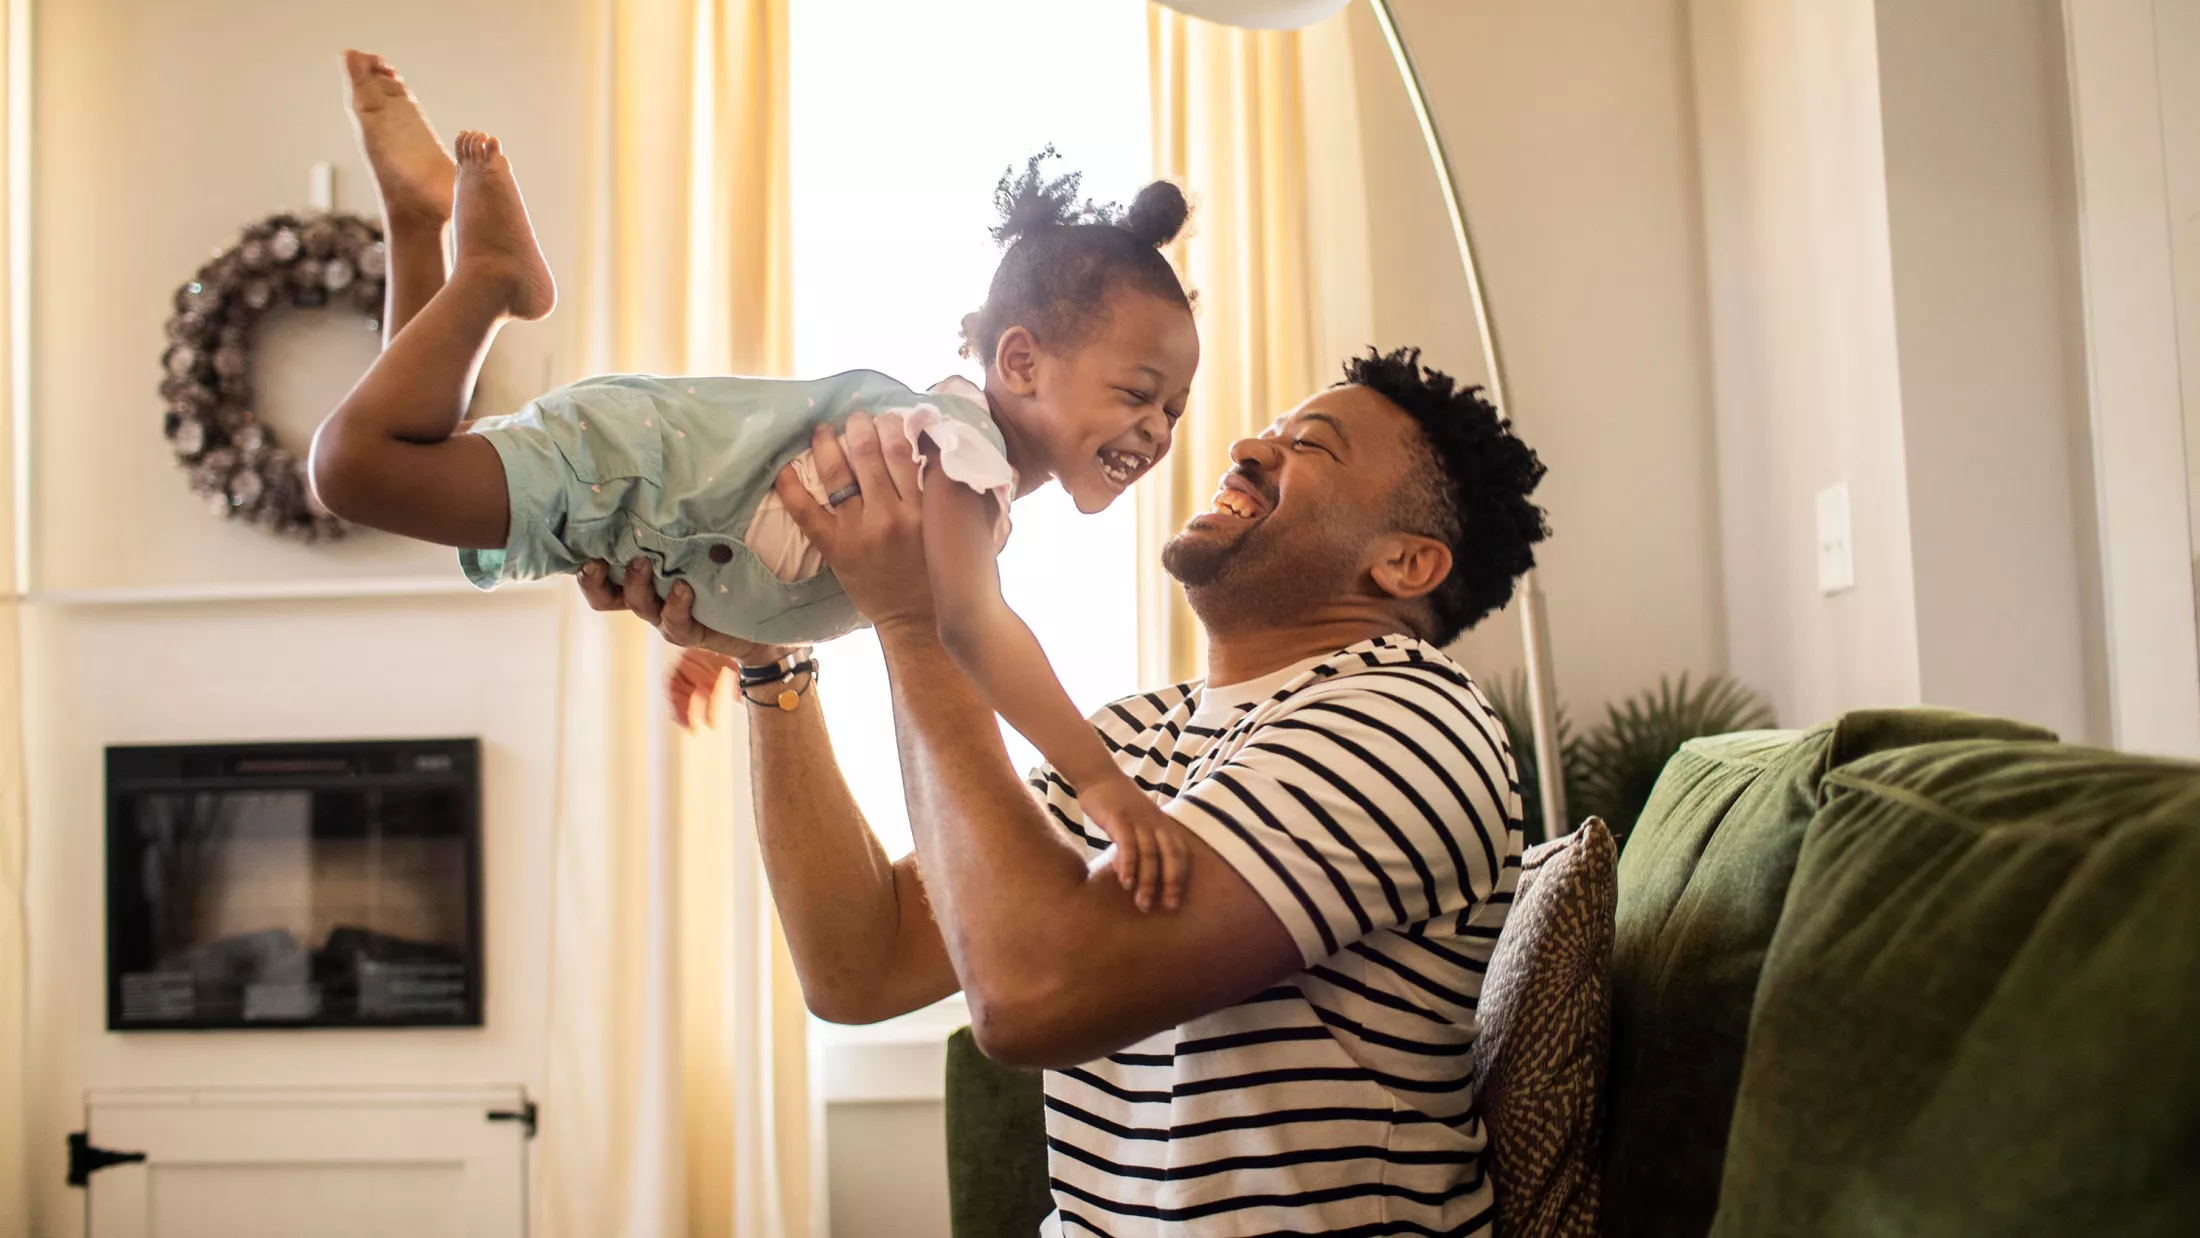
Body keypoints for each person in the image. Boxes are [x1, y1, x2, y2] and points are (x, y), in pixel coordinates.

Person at [592, 345, 1550, 1236]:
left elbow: (1029, 994)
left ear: (1406, 562)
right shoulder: (1141, 735)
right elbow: (859, 966)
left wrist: (917, 617)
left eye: (1311, 447)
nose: (1248, 445)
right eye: (1272, 428)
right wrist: (775, 663)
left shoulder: (1404, 722)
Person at [318, 53, 1204, 906]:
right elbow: (974, 628)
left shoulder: (948, 448)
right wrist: (1103, 786)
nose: (1157, 429)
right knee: (355, 468)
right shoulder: (963, 459)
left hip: (628, 490)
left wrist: (728, 636)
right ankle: (491, 275)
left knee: (421, 450)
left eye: (1175, 409)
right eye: (1138, 393)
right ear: (1021, 361)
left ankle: (414, 220)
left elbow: (779, 515)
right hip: (625, 474)